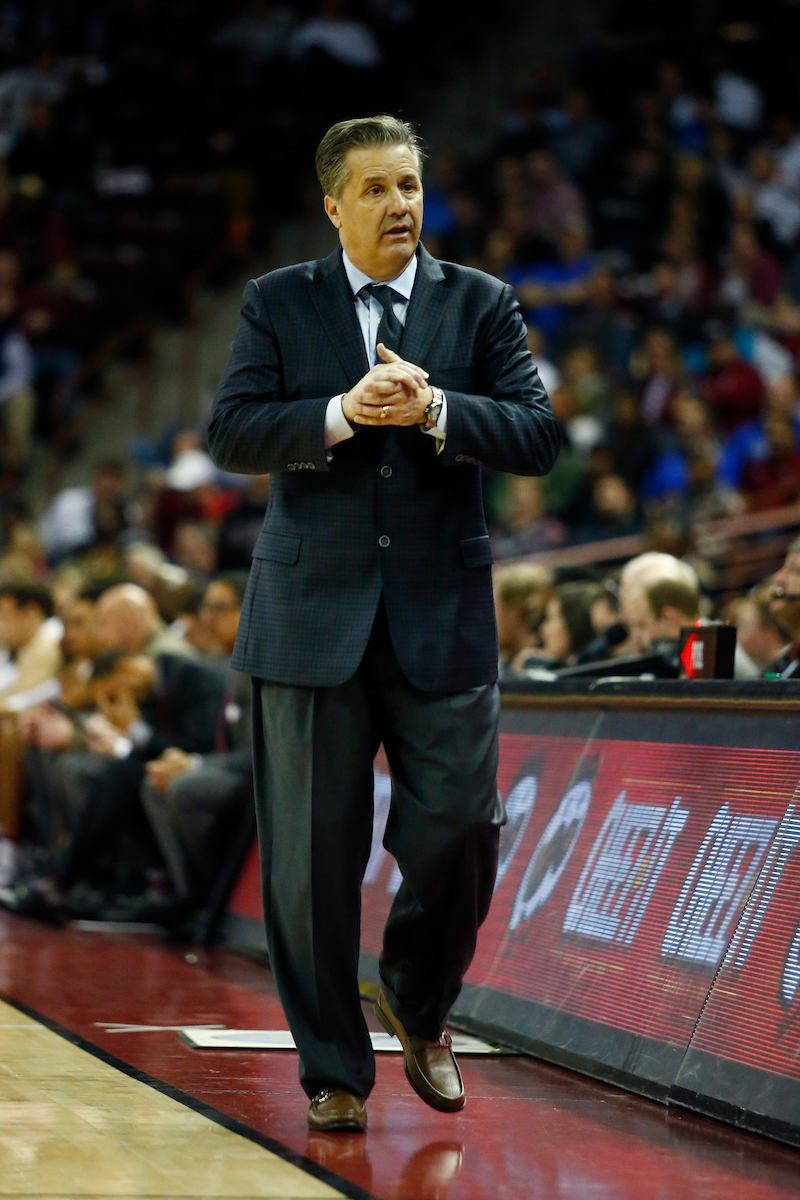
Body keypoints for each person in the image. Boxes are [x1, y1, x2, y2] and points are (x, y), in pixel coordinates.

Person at [208, 114, 558, 1133]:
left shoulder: (479, 303)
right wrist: (343, 412)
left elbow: (534, 434)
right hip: (308, 617)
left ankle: (414, 994)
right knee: (311, 863)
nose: (399, 204)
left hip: (442, 618)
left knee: (459, 830)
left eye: (408, 185)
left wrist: (437, 408)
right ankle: (331, 1070)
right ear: (333, 204)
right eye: (375, 189)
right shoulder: (277, 302)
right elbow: (232, 429)